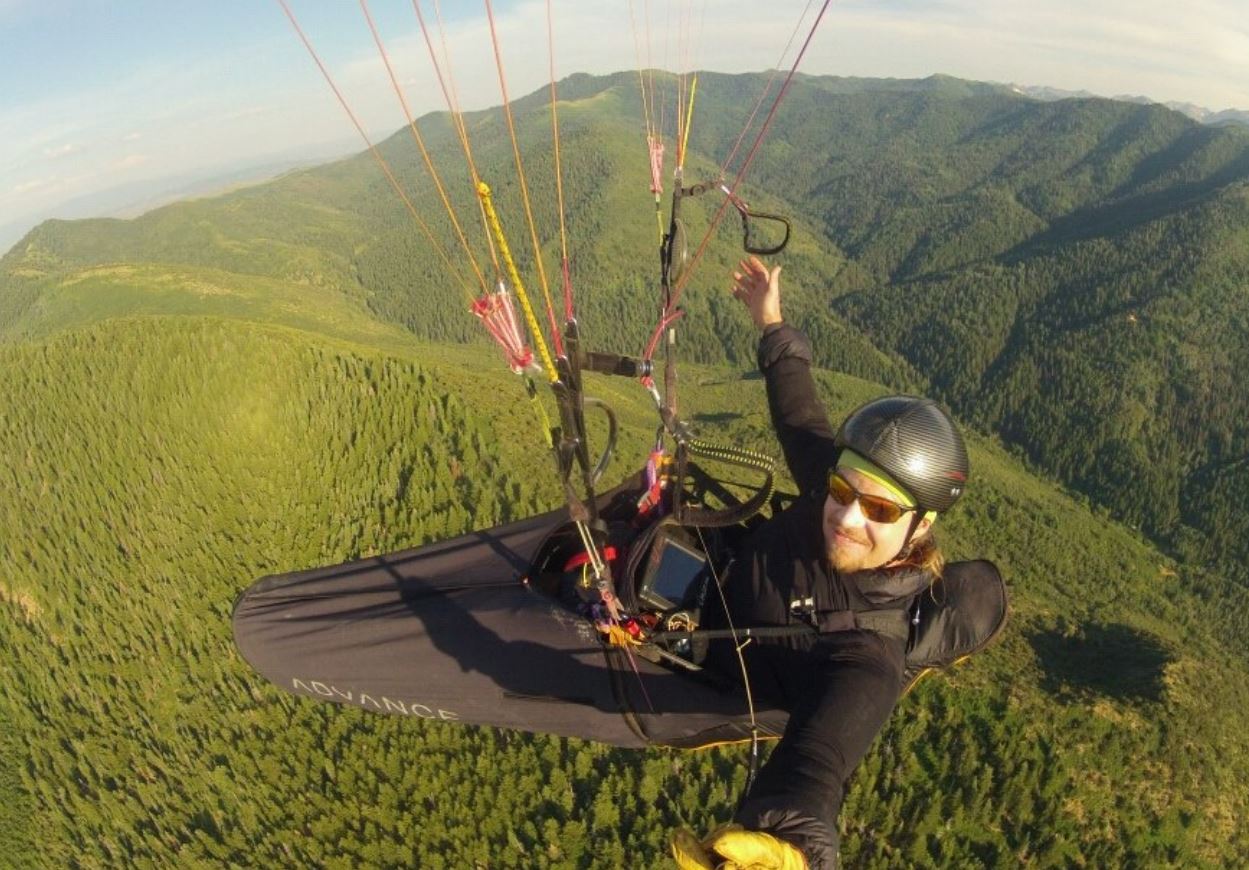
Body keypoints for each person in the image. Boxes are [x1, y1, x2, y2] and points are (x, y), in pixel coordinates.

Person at [672, 257, 970, 870]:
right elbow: (800, 416)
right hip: (707, 571)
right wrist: (772, 322)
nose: (848, 516)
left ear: (922, 525)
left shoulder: (867, 655)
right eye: (842, 490)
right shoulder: (833, 495)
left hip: (702, 661)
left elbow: (817, 765)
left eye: (881, 510)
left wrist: (795, 850)